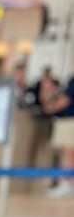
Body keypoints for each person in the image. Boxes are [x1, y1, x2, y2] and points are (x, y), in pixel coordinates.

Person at [41, 71, 74, 199]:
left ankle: (66, 184)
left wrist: (50, 108)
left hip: (68, 121)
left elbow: (66, 100)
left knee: (67, 153)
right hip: (67, 121)